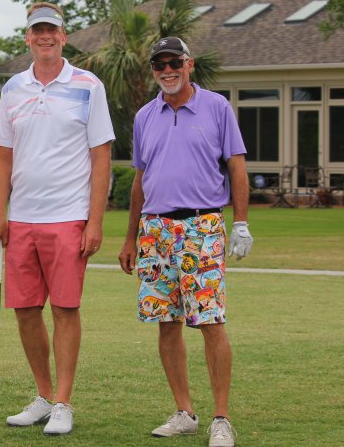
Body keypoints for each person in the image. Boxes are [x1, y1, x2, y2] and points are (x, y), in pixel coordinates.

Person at [117, 37, 253, 447]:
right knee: (166, 322)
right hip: (155, 230)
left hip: (201, 226)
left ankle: (221, 419)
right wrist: (130, 237)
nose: (167, 71)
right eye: (159, 65)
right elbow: (140, 179)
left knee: (210, 321)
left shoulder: (217, 107)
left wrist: (241, 223)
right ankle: (184, 412)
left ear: (189, 64)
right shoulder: (145, 115)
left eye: (174, 62)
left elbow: (237, 166)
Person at [0, 2, 115, 435]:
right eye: (37, 31)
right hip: (22, 219)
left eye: (52, 30)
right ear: (28, 37)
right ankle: (43, 395)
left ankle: (63, 401)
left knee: (65, 308)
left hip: (68, 216)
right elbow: (2, 157)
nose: (45, 37)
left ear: (63, 36)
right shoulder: (13, 88)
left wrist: (94, 220)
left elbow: (101, 157)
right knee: (25, 311)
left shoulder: (88, 85)